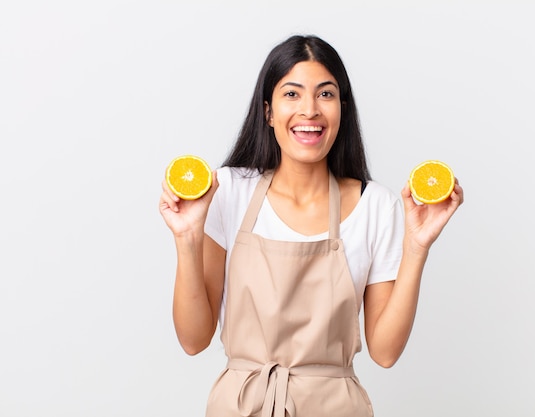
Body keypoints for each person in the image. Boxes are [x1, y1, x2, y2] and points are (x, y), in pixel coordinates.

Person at [159, 34, 464, 417]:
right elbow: (193, 339)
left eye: (325, 94)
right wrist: (187, 240)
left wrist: (417, 248)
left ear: (342, 108)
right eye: (291, 94)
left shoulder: (377, 206)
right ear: (268, 112)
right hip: (241, 406)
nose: (309, 110)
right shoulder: (228, 191)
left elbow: (385, 353)